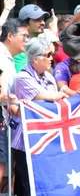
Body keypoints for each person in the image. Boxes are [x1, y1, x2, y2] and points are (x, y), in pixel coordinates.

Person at [12, 36, 68, 196]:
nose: (52, 58)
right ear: (36, 59)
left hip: (45, 139)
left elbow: (57, 96)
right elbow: (48, 96)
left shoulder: (48, 76)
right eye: (48, 55)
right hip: (26, 142)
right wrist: (61, 94)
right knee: (31, 186)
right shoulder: (23, 78)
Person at [0, 18, 28, 183]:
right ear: (10, 35)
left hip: (7, 121)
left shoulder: (8, 59)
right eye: (23, 36)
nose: (26, 40)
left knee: (6, 175)